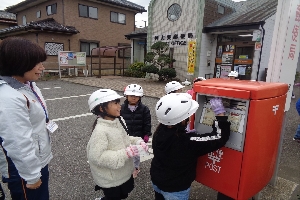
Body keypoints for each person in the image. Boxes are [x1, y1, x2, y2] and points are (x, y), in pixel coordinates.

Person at [0, 37, 53, 200]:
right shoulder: (9, 97)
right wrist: (31, 175)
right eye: (36, 63)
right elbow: (17, 142)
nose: (42, 68)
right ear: (18, 62)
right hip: (22, 169)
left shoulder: (27, 84)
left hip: (37, 159)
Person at [150, 93, 231, 200]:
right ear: (181, 119)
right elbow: (219, 137)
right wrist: (220, 114)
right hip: (175, 189)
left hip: (157, 180)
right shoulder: (188, 141)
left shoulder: (160, 130)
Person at [87, 89, 149, 200]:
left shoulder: (119, 120)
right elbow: (96, 157)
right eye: (115, 103)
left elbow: (125, 138)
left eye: (118, 103)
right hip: (111, 179)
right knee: (113, 197)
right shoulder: (100, 131)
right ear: (102, 108)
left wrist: (138, 141)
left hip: (124, 173)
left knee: (124, 194)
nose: (119, 106)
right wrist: (125, 153)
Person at [121, 84, 151, 178]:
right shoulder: (121, 108)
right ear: (126, 96)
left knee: (136, 154)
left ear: (140, 97)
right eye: (131, 96)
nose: (134, 98)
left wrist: (146, 134)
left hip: (138, 135)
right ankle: (126, 167)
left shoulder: (144, 109)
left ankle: (136, 168)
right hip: (125, 135)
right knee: (126, 152)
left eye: (136, 96)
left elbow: (147, 123)